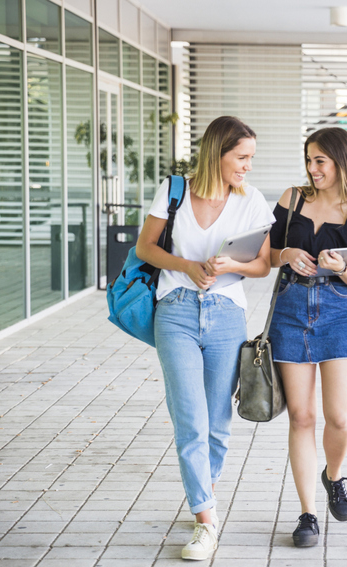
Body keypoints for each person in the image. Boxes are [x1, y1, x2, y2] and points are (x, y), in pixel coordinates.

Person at [135, 116, 275, 560]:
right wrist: (186, 265)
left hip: (226, 316)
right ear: (218, 153)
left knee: (217, 422)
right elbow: (144, 248)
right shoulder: (174, 189)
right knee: (191, 420)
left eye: (251, 158)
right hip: (174, 312)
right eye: (242, 157)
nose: (248, 166)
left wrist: (230, 266)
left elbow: (263, 264)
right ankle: (205, 521)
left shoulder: (251, 199)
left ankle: (204, 496)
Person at [268, 127, 347, 547]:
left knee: (339, 418)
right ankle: (307, 514)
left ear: (341, 161)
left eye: (321, 160)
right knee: (301, 417)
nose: (312, 168)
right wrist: (285, 254)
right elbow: (265, 254)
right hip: (289, 309)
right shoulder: (292, 199)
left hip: (338, 312)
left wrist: (339, 267)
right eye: (309, 160)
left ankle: (333, 476)